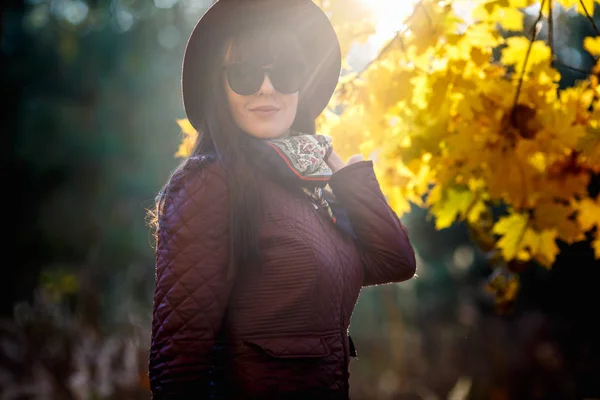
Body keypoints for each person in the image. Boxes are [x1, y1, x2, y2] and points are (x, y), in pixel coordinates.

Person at [148, 0, 416, 398]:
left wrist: (347, 178)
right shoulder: (210, 183)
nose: (266, 87)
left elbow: (395, 261)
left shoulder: (308, 189)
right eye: (244, 73)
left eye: (285, 73)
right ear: (218, 88)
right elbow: (177, 366)